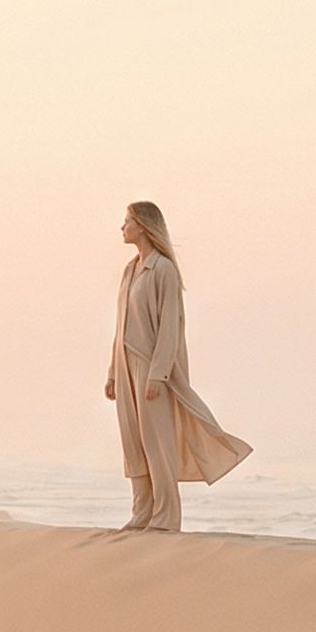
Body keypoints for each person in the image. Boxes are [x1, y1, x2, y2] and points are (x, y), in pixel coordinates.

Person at [105, 202, 252, 532]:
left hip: (150, 366)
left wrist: (158, 372)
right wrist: (112, 372)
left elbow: (170, 327)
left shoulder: (163, 270)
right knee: (133, 442)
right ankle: (141, 512)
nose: (122, 227)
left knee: (157, 442)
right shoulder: (130, 270)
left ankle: (166, 517)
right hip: (124, 363)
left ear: (143, 225)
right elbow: (120, 325)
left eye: (127, 221)